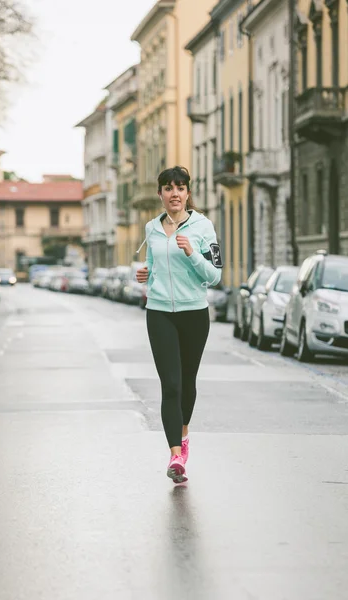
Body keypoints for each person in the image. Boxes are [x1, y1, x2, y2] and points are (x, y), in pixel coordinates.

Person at [136, 166, 223, 484]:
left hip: (193, 314)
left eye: (180, 188)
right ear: (159, 194)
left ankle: (183, 436)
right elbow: (155, 266)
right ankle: (176, 456)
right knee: (170, 385)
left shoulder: (203, 227)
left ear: (188, 193)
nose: (174, 193)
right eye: (168, 188)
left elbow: (214, 275)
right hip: (158, 312)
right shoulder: (152, 228)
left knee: (187, 382)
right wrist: (145, 274)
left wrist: (191, 254)